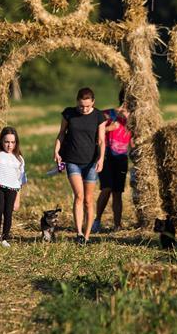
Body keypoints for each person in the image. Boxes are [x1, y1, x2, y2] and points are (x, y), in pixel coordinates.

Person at [54, 87, 106, 245]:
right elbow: (62, 133)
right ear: (77, 102)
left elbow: (102, 140)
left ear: (93, 103)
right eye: (81, 105)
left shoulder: (99, 116)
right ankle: (79, 233)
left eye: (87, 106)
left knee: (89, 200)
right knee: (79, 196)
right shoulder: (69, 113)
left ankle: (87, 236)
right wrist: (56, 151)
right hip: (72, 160)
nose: (84, 109)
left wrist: (101, 159)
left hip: (91, 162)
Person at [93, 101, 131, 233]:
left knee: (117, 193)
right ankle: (97, 221)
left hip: (121, 158)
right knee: (106, 188)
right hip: (106, 156)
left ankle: (117, 225)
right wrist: (109, 128)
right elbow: (94, 131)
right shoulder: (107, 114)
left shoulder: (133, 119)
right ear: (125, 102)